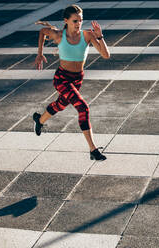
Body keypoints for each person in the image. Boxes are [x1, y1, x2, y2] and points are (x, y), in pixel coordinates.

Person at [33, 4, 110, 161]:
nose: (78, 24)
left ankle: (39, 120)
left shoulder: (87, 36)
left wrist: (100, 37)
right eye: (75, 21)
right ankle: (93, 150)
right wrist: (40, 54)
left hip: (77, 79)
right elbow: (42, 32)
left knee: (60, 105)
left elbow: (106, 55)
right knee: (83, 108)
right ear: (66, 20)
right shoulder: (59, 35)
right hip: (62, 78)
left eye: (80, 20)